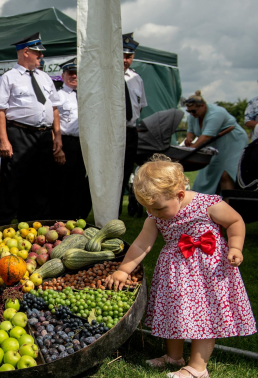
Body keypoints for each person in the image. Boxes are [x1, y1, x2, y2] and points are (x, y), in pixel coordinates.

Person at [105, 154, 255, 378]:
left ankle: (198, 367)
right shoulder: (156, 215)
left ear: (180, 195)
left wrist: (235, 247)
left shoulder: (209, 205)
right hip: (175, 272)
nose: (154, 214)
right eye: (150, 209)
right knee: (173, 311)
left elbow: (235, 221)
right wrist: (123, 269)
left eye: (159, 209)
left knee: (204, 315)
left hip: (208, 271)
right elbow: (141, 244)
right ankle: (173, 357)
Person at [0, 33, 62, 226]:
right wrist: (3, 140)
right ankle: (1, 225)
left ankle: (34, 225)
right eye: (38, 53)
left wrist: (57, 136)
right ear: (26, 52)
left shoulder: (45, 78)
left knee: (41, 183)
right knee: (12, 182)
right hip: (19, 134)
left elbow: (54, 108)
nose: (41, 57)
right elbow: (0, 111)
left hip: (44, 135)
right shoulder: (9, 78)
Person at [183, 91, 248, 193]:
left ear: (202, 106)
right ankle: (205, 201)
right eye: (189, 111)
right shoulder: (193, 116)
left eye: (193, 111)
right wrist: (189, 139)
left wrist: (191, 150)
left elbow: (206, 136)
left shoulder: (217, 113)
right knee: (208, 172)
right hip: (215, 144)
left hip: (233, 142)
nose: (191, 114)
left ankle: (228, 203)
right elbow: (190, 131)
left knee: (226, 174)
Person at [55, 58, 91, 219]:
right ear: (63, 75)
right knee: (63, 182)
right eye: (70, 73)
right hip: (65, 142)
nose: (74, 76)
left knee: (80, 182)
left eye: (77, 73)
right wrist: (58, 148)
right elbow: (51, 123)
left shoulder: (87, 96)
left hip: (83, 143)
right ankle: (61, 217)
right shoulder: (58, 96)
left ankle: (76, 216)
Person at [122, 32, 147, 215]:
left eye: (129, 56)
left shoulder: (136, 78)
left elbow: (141, 107)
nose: (125, 60)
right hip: (111, 133)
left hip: (130, 132)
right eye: (122, 55)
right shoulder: (105, 76)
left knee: (124, 173)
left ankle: (115, 215)